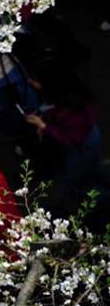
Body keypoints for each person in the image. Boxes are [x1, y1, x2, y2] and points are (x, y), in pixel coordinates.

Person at [23, 70, 110, 206]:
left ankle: (103, 201)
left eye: (35, 80)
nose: (30, 82)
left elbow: (72, 139)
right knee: (94, 169)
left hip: (82, 148)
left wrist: (43, 126)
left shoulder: (68, 110)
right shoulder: (73, 94)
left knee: (76, 187)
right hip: (92, 136)